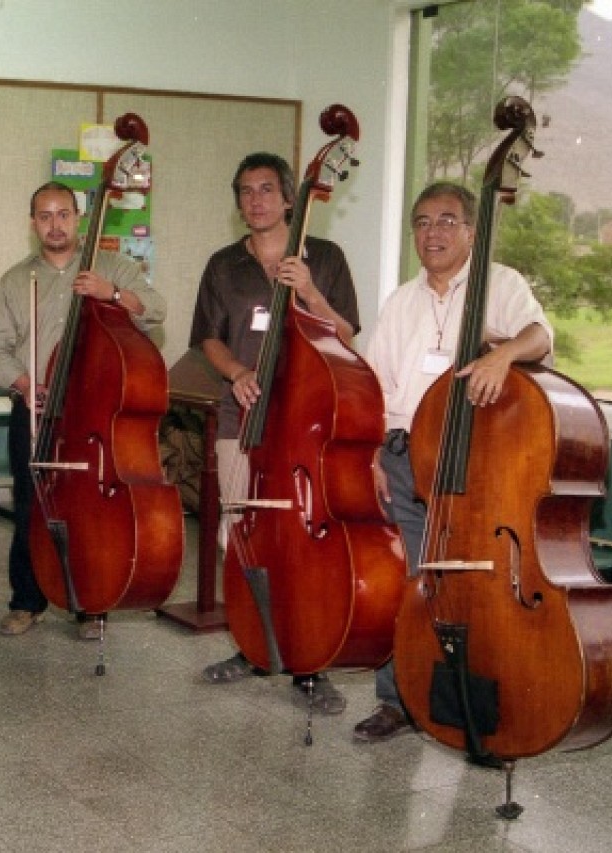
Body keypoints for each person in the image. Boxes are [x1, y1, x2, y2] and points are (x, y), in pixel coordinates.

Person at [354, 181, 554, 742]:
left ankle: (478, 696)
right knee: (408, 583)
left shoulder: (501, 283)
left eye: (446, 221)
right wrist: (374, 451)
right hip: (403, 458)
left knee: (474, 585)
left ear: (471, 231)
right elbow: (377, 384)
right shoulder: (400, 300)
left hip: (474, 463)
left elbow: (540, 335)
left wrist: (503, 354)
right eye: (422, 222)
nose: (432, 232)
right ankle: (397, 700)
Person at [189, 152, 360, 715]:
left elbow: (347, 334)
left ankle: (309, 666)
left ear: (291, 197)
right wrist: (236, 373)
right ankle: (252, 646)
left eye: (266, 189)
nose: (255, 199)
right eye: (245, 191)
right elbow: (207, 338)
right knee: (239, 542)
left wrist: (310, 291)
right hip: (243, 422)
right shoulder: (222, 264)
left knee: (303, 548)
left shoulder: (326, 258)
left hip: (307, 425)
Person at [0, 181, 167, 637]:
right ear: (33, 224)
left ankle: (90, 603)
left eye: (63, 214)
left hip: (94, 413)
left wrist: (113, 294)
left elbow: (157, 310)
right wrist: (26, 384)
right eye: (44, 216)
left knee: (89, 509)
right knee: (33, 504)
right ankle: (27, 600)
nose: (55, 224)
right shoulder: (14, 279)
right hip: (36, 410)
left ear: (78, 217)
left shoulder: (113, 266)